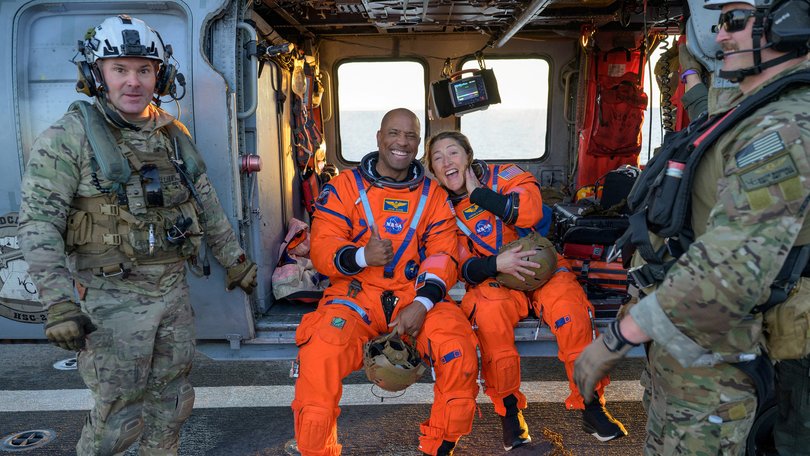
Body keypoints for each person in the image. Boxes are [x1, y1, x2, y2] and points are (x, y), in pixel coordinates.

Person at [574, 0, 810, 454]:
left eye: (735, 22)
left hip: (718, 348)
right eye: (719, 23)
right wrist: (688, 76)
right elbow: (706, 112)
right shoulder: (749, 108)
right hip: (686, 344)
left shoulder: (786, 126)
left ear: (789, 23)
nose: (720, 36)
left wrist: (617, 338)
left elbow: (730, 267)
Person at [18, 15, 257, 455]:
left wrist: (236, 261)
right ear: (96, 75)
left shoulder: (171, 134)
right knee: (119, 416)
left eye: (144, 70)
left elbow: (206, 203)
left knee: (173, 403)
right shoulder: (67, 138)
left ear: (159, 75)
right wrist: (58, 303)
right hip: (111, 298)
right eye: (119, 69)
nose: (134, 81)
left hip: (171, 293)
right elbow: (38, 223)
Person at [291, 108, 479, 456]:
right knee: (320, 355)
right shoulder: (345, 188)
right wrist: (362, 256)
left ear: (418, 143)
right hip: (356, 296)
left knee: (459, 351)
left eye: (411, 136)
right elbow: (322, 246)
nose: (402, 143)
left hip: (415, 296)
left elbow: (443, 255)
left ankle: (441, 446)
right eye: (394, 133)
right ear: (379, 138)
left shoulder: (433, 195)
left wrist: (422, 304)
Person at [425, 131, 628, 448]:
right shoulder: (441, 209)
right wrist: (497, 264)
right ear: (434, 171)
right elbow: (459, 265)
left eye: (453, 152)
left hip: (541, 264)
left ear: (468, 155)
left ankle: (591, 405)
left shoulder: (504, 176)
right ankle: (509, 414)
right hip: (495, 277)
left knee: (571, 310)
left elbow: (531, 212)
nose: (447, 162)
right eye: (438, 158)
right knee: (489, 314)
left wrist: (479, 194)